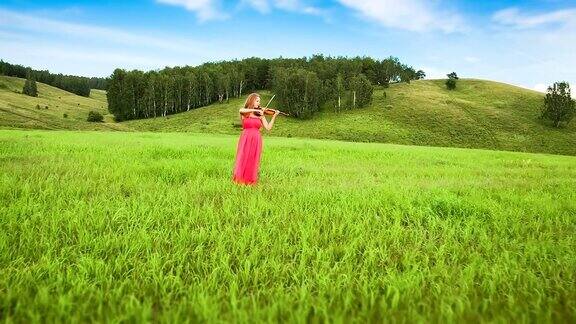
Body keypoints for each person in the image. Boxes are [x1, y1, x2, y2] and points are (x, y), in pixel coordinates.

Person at [232, 93, 279, 185]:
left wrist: (274, 116)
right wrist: (255, 110)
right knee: (243, 157)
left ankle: (250, 181)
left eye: (259, 102)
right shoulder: (245, 113)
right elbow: (241, 109)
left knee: (253, 159)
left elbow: (268, 127)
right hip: (246, 137)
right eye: (257, 101)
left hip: (256, 138)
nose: (259, 103)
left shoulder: (260, 115)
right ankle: (240, 180)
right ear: (251, 100)